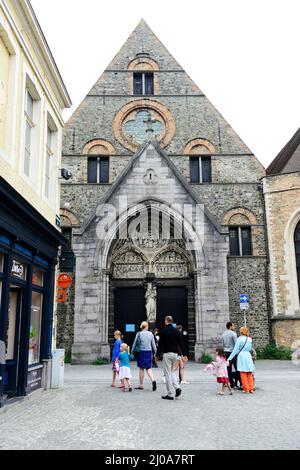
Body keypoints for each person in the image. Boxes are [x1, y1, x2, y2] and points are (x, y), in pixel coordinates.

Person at [156, 315, 184, 400]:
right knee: (171, 372)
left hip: (167, 354)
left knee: (167, 373)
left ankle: (170, 394)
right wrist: (184, 354)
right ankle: (177, 388)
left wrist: (157, 355)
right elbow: (180, 343)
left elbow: (160, 344)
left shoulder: (163, 331)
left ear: (166, 321)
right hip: (175, 354)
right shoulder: (176, 331)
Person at [227, 326, 255, 394]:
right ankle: (251, 388)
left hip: (241, 356)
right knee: (249, 372)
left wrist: (229, 358)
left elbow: (235, 350)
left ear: (241, 332)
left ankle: (246, 389)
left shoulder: (239, 339)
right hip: (248, 355)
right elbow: (250, 349)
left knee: (243, 373)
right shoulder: (249, 339)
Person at [132, 321, 157, 391]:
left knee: (141, 368)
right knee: (148, 368)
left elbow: (134, 343)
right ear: (147, 326)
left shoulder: (139, 334)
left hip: (141, 352)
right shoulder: (151, 334)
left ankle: (141, 385)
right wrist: (155, 352)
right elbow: (153, 345)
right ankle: (153, 380)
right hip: (149, 352)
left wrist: (132, 351)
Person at [222, 322, 239, 389]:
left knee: (228, 369)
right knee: (237, 368)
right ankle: (239, 382)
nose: (234, 327)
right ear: (230, 326)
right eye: (233, 326)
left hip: (226, 352)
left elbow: (223, 344)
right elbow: (236, 344)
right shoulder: (233, 334)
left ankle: (231, 384)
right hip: (233, 352)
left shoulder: (223, 334)